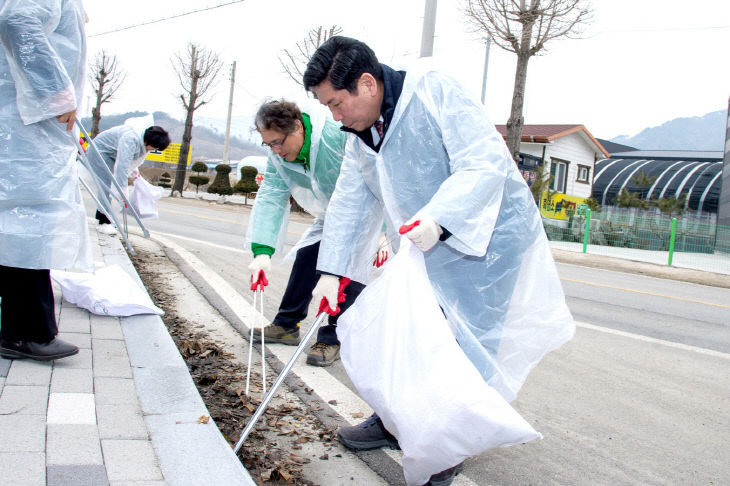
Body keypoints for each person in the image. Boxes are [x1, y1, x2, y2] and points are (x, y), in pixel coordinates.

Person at [303, 37, 574, 486]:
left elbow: (483, 163)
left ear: (366, 84)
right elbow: (352, 200)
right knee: (411, 329)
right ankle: (395, 421)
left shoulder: (433, 90)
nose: (334, 116)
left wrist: (439, 219)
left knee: (467, 342)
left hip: (487, 235)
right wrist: (332, 271)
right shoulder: (357, 132)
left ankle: (447, 443)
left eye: (336, 103)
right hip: (423, 239)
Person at [247, 99, 385, 366]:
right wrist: (262, 251)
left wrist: (382, 231)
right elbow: (272, 196)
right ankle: (287, 324)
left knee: (347, 272)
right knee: (308, 256)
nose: (275, 150)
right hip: (332, 212)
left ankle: (332, 337)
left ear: (298, 127)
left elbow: (376, 177)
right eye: (268, 144)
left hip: (367, 210)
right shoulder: (279, 155)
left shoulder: (334, 136)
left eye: (278, 142)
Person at [0, 0, 88, 361]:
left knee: (19, 223)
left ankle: (22, 329)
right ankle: (27, 332)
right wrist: (55, 93)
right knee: (29, 224)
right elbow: (18, 19)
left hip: (25, 126)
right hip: (27, 126)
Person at [89, 124, 170, 233]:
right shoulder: (131, 139)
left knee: (107, 187)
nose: (153, 150)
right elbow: (121, 166)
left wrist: (134, 170)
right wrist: (123, 189)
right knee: (105, 186)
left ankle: (102, 217)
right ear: (149, 142)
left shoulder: (140, 139)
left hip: (111, 155)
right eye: (154, 147)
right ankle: (103, 222)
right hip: (100, 152)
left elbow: (128, 159)